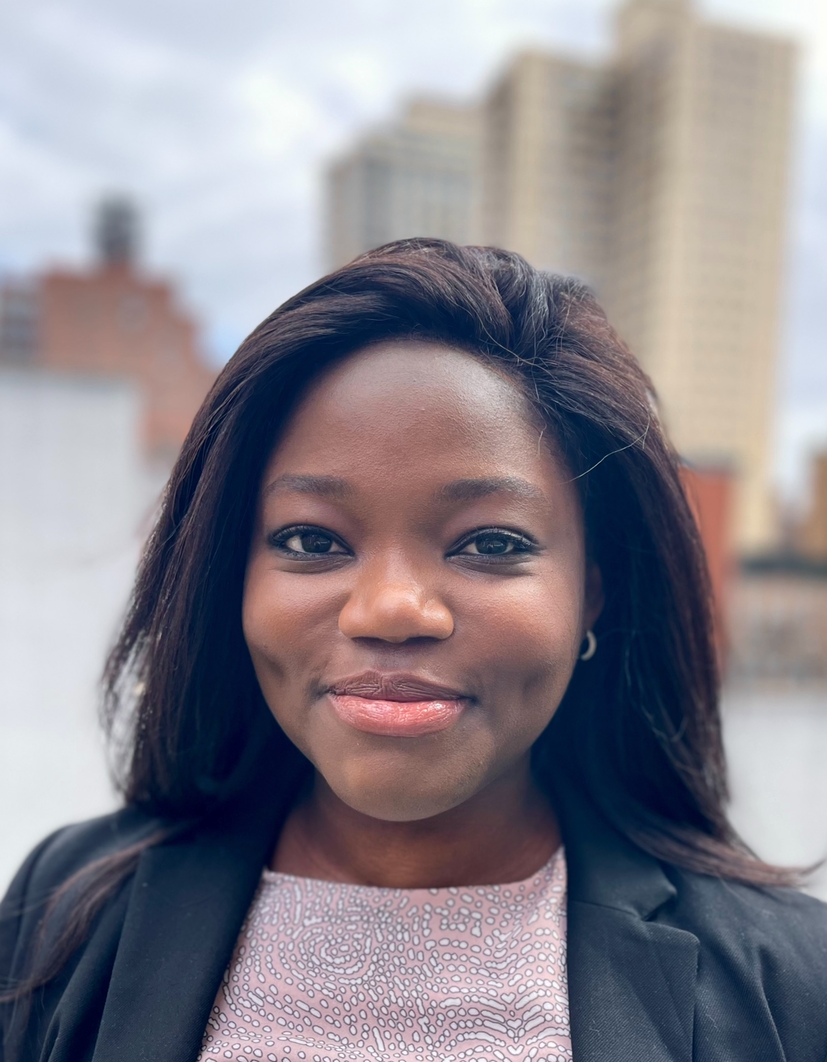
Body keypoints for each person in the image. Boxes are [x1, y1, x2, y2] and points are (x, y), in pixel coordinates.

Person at [1, 240, 826, 1062]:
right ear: (231, 575)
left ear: (593, 591)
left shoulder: (788, 986)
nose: (392, 610)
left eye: (490, 543)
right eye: (310, 538)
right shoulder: (67, 908)